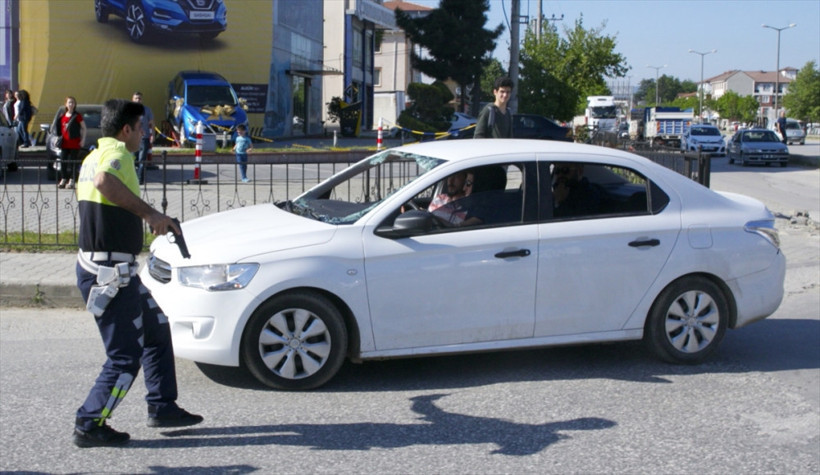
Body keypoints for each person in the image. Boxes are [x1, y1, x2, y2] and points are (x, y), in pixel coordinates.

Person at [73, 98, 202, 448]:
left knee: (157, 330)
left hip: (116, 269)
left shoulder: (93, 154)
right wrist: (150, 216)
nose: (145, 134)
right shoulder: (117, 155)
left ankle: (162, 406)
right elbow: (103, 182)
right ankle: (89, 422)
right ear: (126, 129)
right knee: (124, 358)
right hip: (108, 273)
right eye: (142, 128)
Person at [55, 96, 87, 189]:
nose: (71, 104)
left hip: (74, 143)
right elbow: (59, 130)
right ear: (66, 104)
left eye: (73, 102)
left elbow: (84, 128)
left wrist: (83, 139)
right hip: (64, 143)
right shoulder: (62, 116)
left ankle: (72, 180)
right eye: (69, 102)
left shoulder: (77, 116)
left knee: (73, 162)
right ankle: (64, 179)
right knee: (63, 161)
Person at [131, 92, 154, 184]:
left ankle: (140, 180)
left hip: (144, 138)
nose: (138, 100)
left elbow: (151, 123)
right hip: (132, 138)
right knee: (132, 160)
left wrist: (152, 135)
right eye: (136, 98)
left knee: (142, 160)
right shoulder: (129, 110)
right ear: (132, 99)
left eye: (139, 98)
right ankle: (132, 179)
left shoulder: (147, 110)